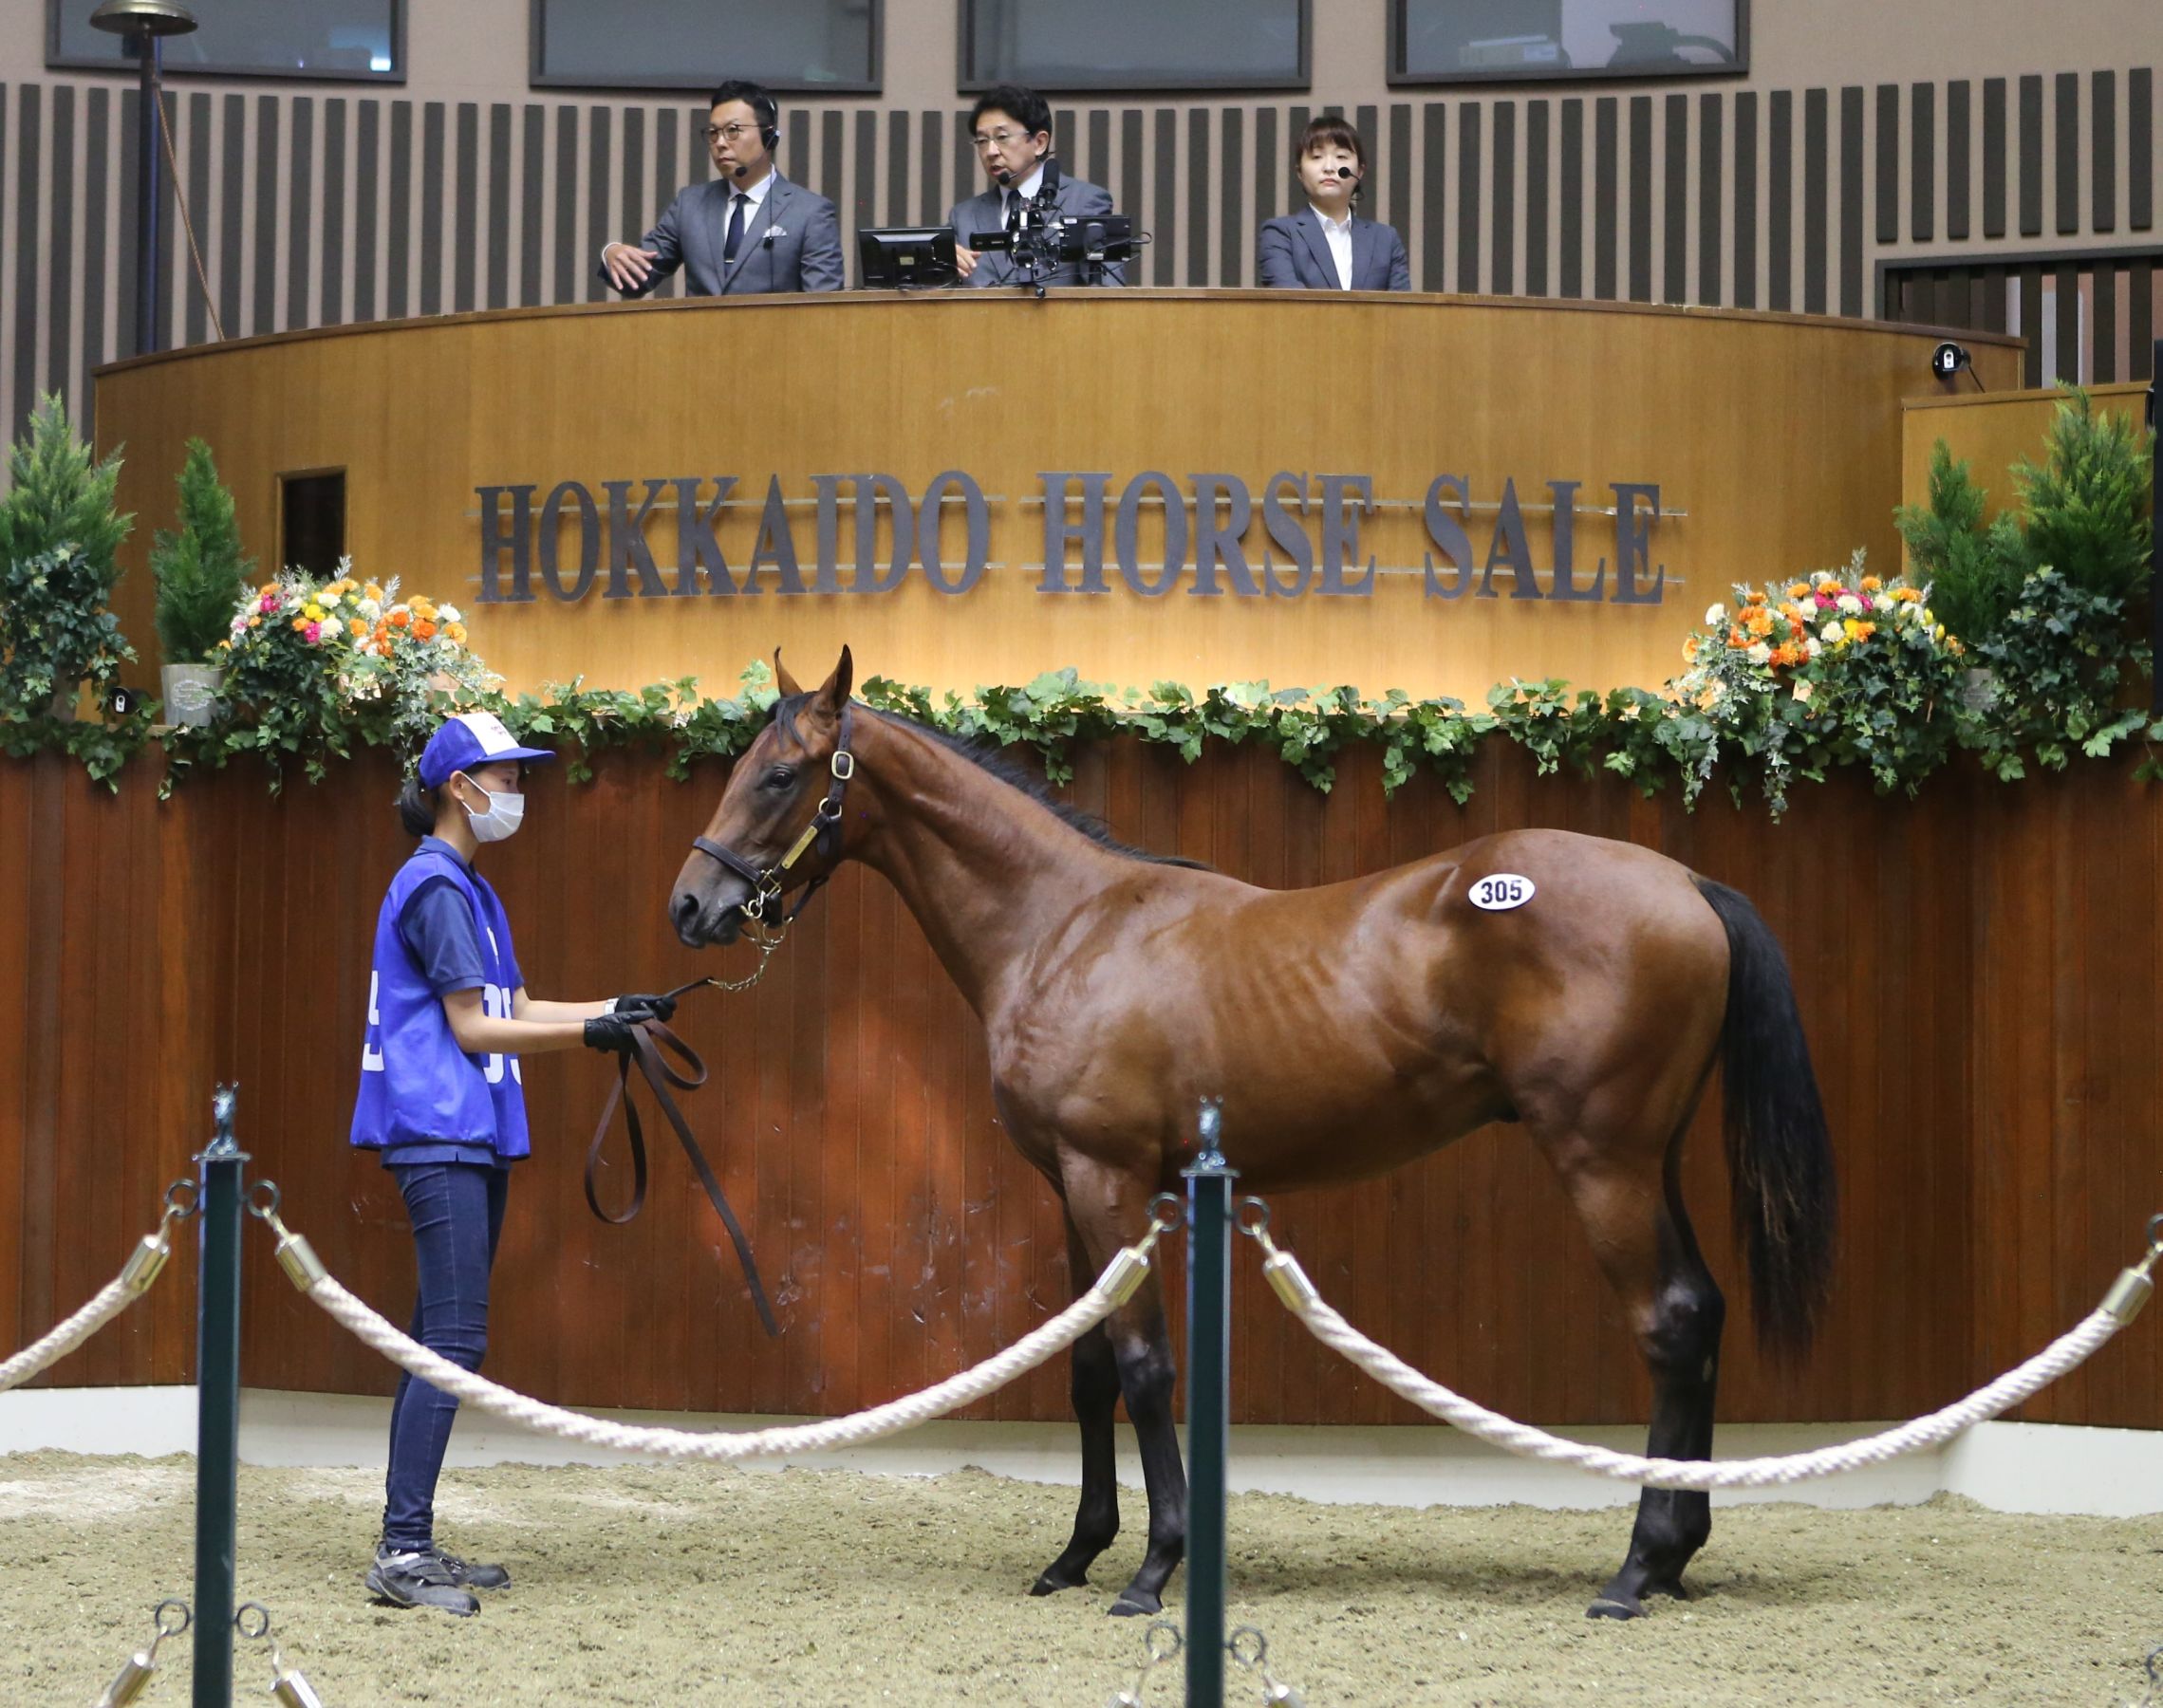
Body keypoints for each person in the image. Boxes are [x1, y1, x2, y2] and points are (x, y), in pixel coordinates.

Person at [350, 711, 674, 1615]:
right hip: (442, 1130)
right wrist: (591, 1035)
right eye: (508, 775)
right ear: (462, 787)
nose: (519, 791)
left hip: (469, 1131)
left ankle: (408, 1540)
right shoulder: (439, 889)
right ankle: (402, 1549)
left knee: (438, 1341)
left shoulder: (470, 887)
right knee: (451, 1344)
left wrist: (619, 1005)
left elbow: (517, 1001)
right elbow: (473, 1027)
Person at [600, 79, 844, 297]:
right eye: (714, 133)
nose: (720, 143)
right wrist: (612, 254)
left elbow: (822, 310)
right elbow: (638, 280)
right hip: (700, 344)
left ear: (769, 137)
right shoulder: (690, 204)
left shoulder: (810, 212)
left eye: (733, 131)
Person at [948, 84, 1126, 288]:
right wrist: (941, 269)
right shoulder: (963, 217)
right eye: (981, 141)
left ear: (1039, 142)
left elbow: (1108, 293)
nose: (991, 151)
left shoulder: (1085, 202)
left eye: (1002, 137)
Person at [1257, 115, 1411, 292]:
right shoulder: (1280, 234)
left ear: (1360, 171)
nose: (1329, 167)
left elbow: (1402, 311)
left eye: (1341, 156)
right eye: (1316, 157)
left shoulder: (1386, 239)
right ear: (1300, 172)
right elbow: (1290, 304)